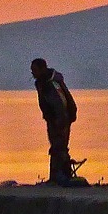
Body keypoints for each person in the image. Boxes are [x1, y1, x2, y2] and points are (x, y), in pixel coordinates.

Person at [31, 57, 77, 185]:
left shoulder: (50, 84)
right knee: (56, 146)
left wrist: (60, 121)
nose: (33, 73)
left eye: (34, 70)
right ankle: (57, 175)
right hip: (53, 118)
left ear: (42, 69)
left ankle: (61, 175)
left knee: (59, 146)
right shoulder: (43, 83)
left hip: (60, 119)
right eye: (32, 71)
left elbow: (60, 102)